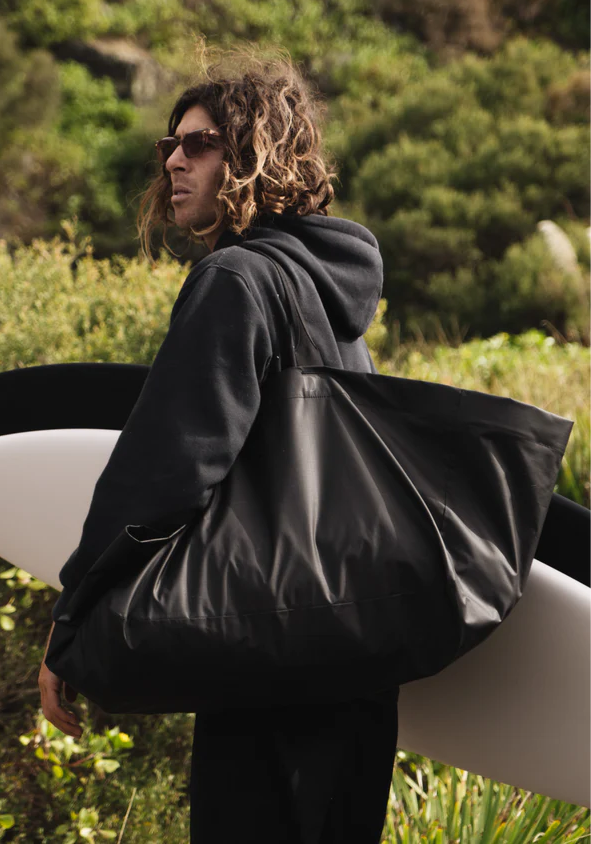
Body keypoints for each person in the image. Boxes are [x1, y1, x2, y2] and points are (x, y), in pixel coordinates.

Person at [39, 44, 399, 844]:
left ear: (253, 156)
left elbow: (167, 469)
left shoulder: (235, 280)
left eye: (198, 145)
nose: (174, 160)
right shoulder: (327, 294)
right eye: (170, 145)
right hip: (356, 653)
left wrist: (74, 618)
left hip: (272, 652)